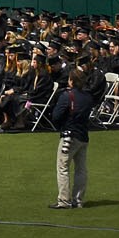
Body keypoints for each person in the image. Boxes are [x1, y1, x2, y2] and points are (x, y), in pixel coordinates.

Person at [49, 61, 96, 209]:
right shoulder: (88, 97)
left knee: (63, 168)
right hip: (83, 135)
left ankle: (64, 200)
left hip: (69, 135)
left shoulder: (67, 96)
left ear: (71, 81)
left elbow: (56, 116)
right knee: (81, 169)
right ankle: (78, 200)